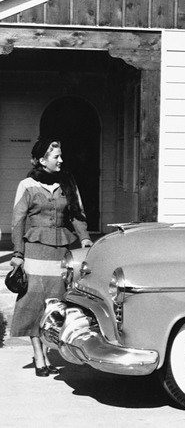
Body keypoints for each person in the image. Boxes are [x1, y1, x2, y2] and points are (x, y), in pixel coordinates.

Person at [9, 139, 93, 377]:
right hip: (34, 251)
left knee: (56, 304)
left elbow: (77, 214)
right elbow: (18, 222)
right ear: (42, 159)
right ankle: (39, 356)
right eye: (56, 156)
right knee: (34, 304)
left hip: (60, 253)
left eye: (60, 155)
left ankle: (47, 349)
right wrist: (18, 254)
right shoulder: (26, 185)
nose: (61, 160)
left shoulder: (67, 183)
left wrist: (84, 238)